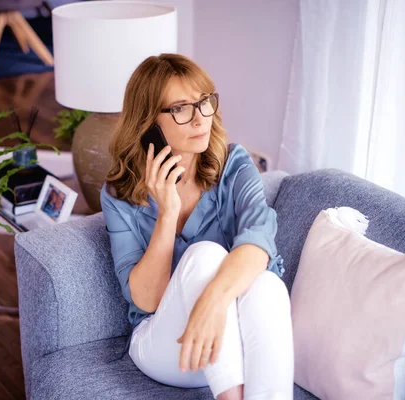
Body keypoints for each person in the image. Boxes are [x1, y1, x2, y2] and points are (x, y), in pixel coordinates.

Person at [100, 53, 294, 400]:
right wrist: (167, 212)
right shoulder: (119, 194)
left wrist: (213, 301)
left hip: (229, 333)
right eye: (181, 108)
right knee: (205, 255)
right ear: (149, 124)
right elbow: (147, 299)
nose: (200, 118)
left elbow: (259, 243)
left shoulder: (233, 163)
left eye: (204, 103)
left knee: (266, 285)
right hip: (164, 346)